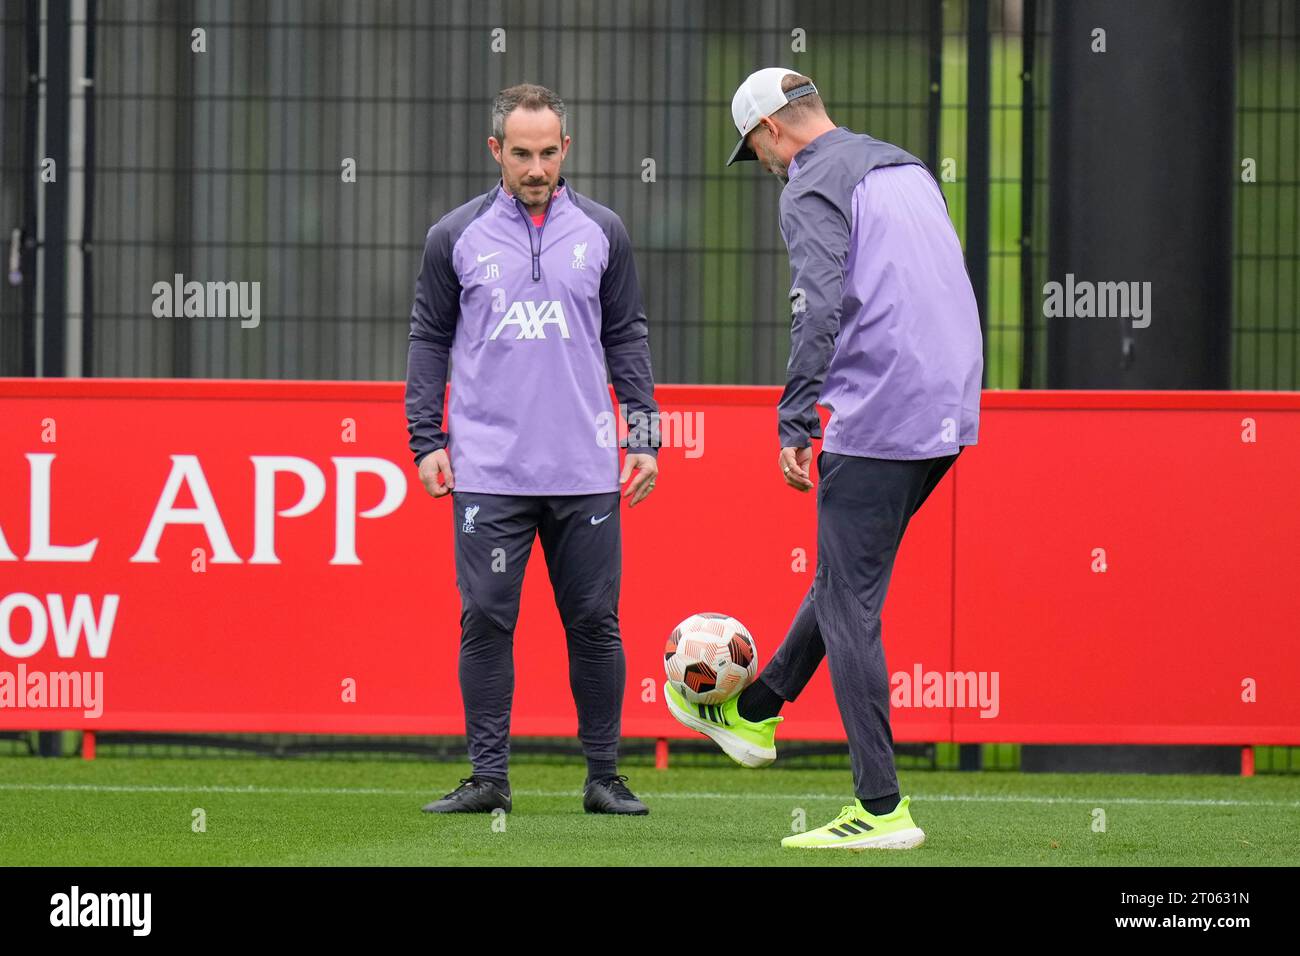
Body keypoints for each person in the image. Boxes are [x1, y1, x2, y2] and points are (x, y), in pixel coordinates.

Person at [665, 68, 983, 849]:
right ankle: (757, 710)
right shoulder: (901, 163)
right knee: (847, 580)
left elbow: (819, 299)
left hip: (885, 407)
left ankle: (882, 810)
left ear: (773, 130)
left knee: (850, 608)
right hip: (952, 401)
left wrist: (796, 414)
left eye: (757, 151)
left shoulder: (808, 183)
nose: (765, 165)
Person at [405, 83, 660, 816]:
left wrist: (642, 437)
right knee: (485, 618)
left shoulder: (603, 231)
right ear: (496, 152)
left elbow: (628, 336)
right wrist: (427, 439)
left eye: (549, 152)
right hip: (490, 472)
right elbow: (427, 338)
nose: (536, 167)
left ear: (566, 150)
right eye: (522, 153)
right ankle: (489, 779)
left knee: (595, 622)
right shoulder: (454, 237)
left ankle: (604, 778)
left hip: (585, 471)